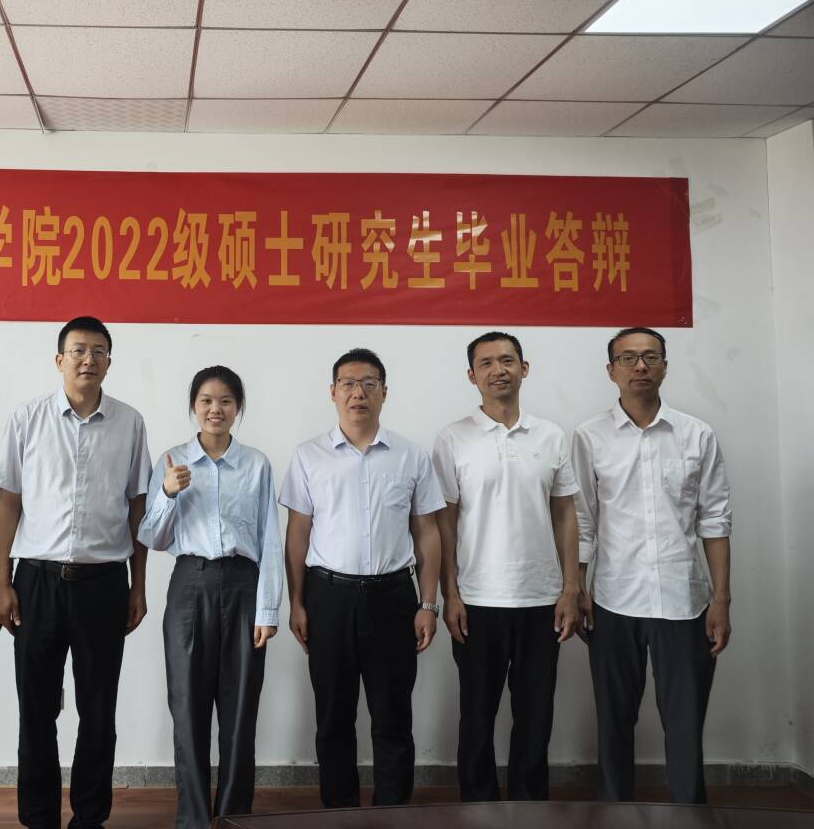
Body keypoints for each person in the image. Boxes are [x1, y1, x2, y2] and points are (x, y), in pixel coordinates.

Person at [0, 316, 152, 829]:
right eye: (78, 350)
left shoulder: (130, 423)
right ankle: (39, 817)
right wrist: (1, 582)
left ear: (109, 362)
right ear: (59, 360)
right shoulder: (27, 418)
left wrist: (139, 586)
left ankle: (90, 817)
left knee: (98, 710)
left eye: (98, 351)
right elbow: (8, 502)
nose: (88, 359)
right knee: (36, 710)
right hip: (36, 582)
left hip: (104, 584)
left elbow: (138, 508)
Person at [573, 327, 731, 804]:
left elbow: (715, 520)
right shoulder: (588, 436)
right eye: (628, 358)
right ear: (611, 371)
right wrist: (577, 589)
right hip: (613, 600)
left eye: (650, 357)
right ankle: (615, 811)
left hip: (684, 600)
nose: (640, 366)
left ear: (664, 366)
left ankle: (689, 811)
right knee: (614, 719)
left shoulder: (697, 434)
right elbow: (583, 521)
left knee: (685, 721)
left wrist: (721, 600)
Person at [281, 348, 444, 808]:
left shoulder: (411, 455)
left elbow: (427, 532)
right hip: (328, 597)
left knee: (393, 716)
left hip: (393, 598)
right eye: (348, 384)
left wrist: (427, 603)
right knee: (334, 717)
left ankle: (392, 813)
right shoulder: (309, 455)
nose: (358, 393)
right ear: (332, 392)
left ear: (384, 393)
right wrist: (296, 603)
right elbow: (297, 533)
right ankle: (340, 813)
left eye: (369, 383)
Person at [432, 331, 580, 802]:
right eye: (486, 363)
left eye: (507, 360)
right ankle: (478, 808)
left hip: (541, 599)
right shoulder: (452, 438)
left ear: (524, 368)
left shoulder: (551, 435)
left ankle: (528, 808)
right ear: (471, 375)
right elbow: (444, 523)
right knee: (477, 716)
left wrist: (571, 589)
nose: (498, 370)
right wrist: (450, 594)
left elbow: (565, 514)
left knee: (536, 717)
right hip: (477, 600)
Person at [138, 366, 282, 829]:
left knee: (240, 710)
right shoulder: (173, 461)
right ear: (193, 406)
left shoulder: (256, 464)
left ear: (238, 408)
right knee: (187, 708)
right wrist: (167, 493)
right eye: (206, 400)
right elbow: (152, 538)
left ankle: (235, 817)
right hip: (190, 585)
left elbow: (270, 539)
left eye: (225, 401)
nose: (215, 409)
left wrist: (268, 608)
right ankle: (194, 820)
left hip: (243, 585)